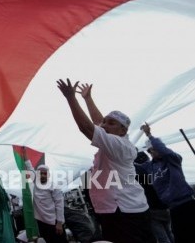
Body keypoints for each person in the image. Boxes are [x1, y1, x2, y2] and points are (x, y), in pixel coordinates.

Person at [56, 79, 155, 243]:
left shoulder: (118, 145)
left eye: (112, 123)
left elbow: (87, 128)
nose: (104, 125)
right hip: (117, 211)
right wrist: (88, 99)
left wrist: (70, 98)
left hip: (125, 212)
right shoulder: (115, 141)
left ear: (123, 130)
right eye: (105, 122)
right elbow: (99, 123)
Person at [138, 123, 195, 243]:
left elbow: (165, 151)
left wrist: (149, 135)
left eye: (153, 149)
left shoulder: (173, 159)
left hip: (187, 204)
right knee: (180, 237)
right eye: (150, 150)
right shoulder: (149, 166)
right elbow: (132, 168)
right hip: (172, 209)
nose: (152, 152)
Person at [23, 148, 67, 243]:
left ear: (48, 175)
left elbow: (59, 205)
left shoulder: (54, 186)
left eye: (44, 173)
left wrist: (59, 223)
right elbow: (29, 166)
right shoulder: (36, 182)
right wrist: (24, 152)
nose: (42, 175)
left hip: (54, 222)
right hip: (41, 221)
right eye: (40, 173)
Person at [134, 151, 174, 243]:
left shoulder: (137, 174)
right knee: (170, 232)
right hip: (166, 206)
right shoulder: (156, 170)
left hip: (152, 209)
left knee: (162, 237)